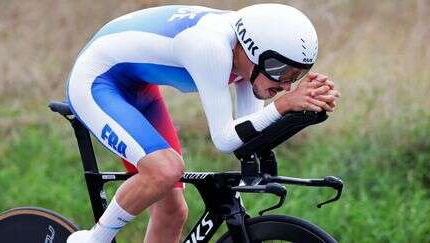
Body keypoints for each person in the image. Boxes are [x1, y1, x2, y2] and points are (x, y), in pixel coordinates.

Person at [66, 3, 340, 243]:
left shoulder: (247, 58)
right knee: (165, 169)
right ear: (252, 51)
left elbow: (248, 135)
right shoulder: (211, 47)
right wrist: (284, 105)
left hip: (139, 88)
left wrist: (306, 110)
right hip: (97, 81)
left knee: (172, 212)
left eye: (297, 74)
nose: (287, 84)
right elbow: (225, 139)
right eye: (281, 71)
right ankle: (92, 240)